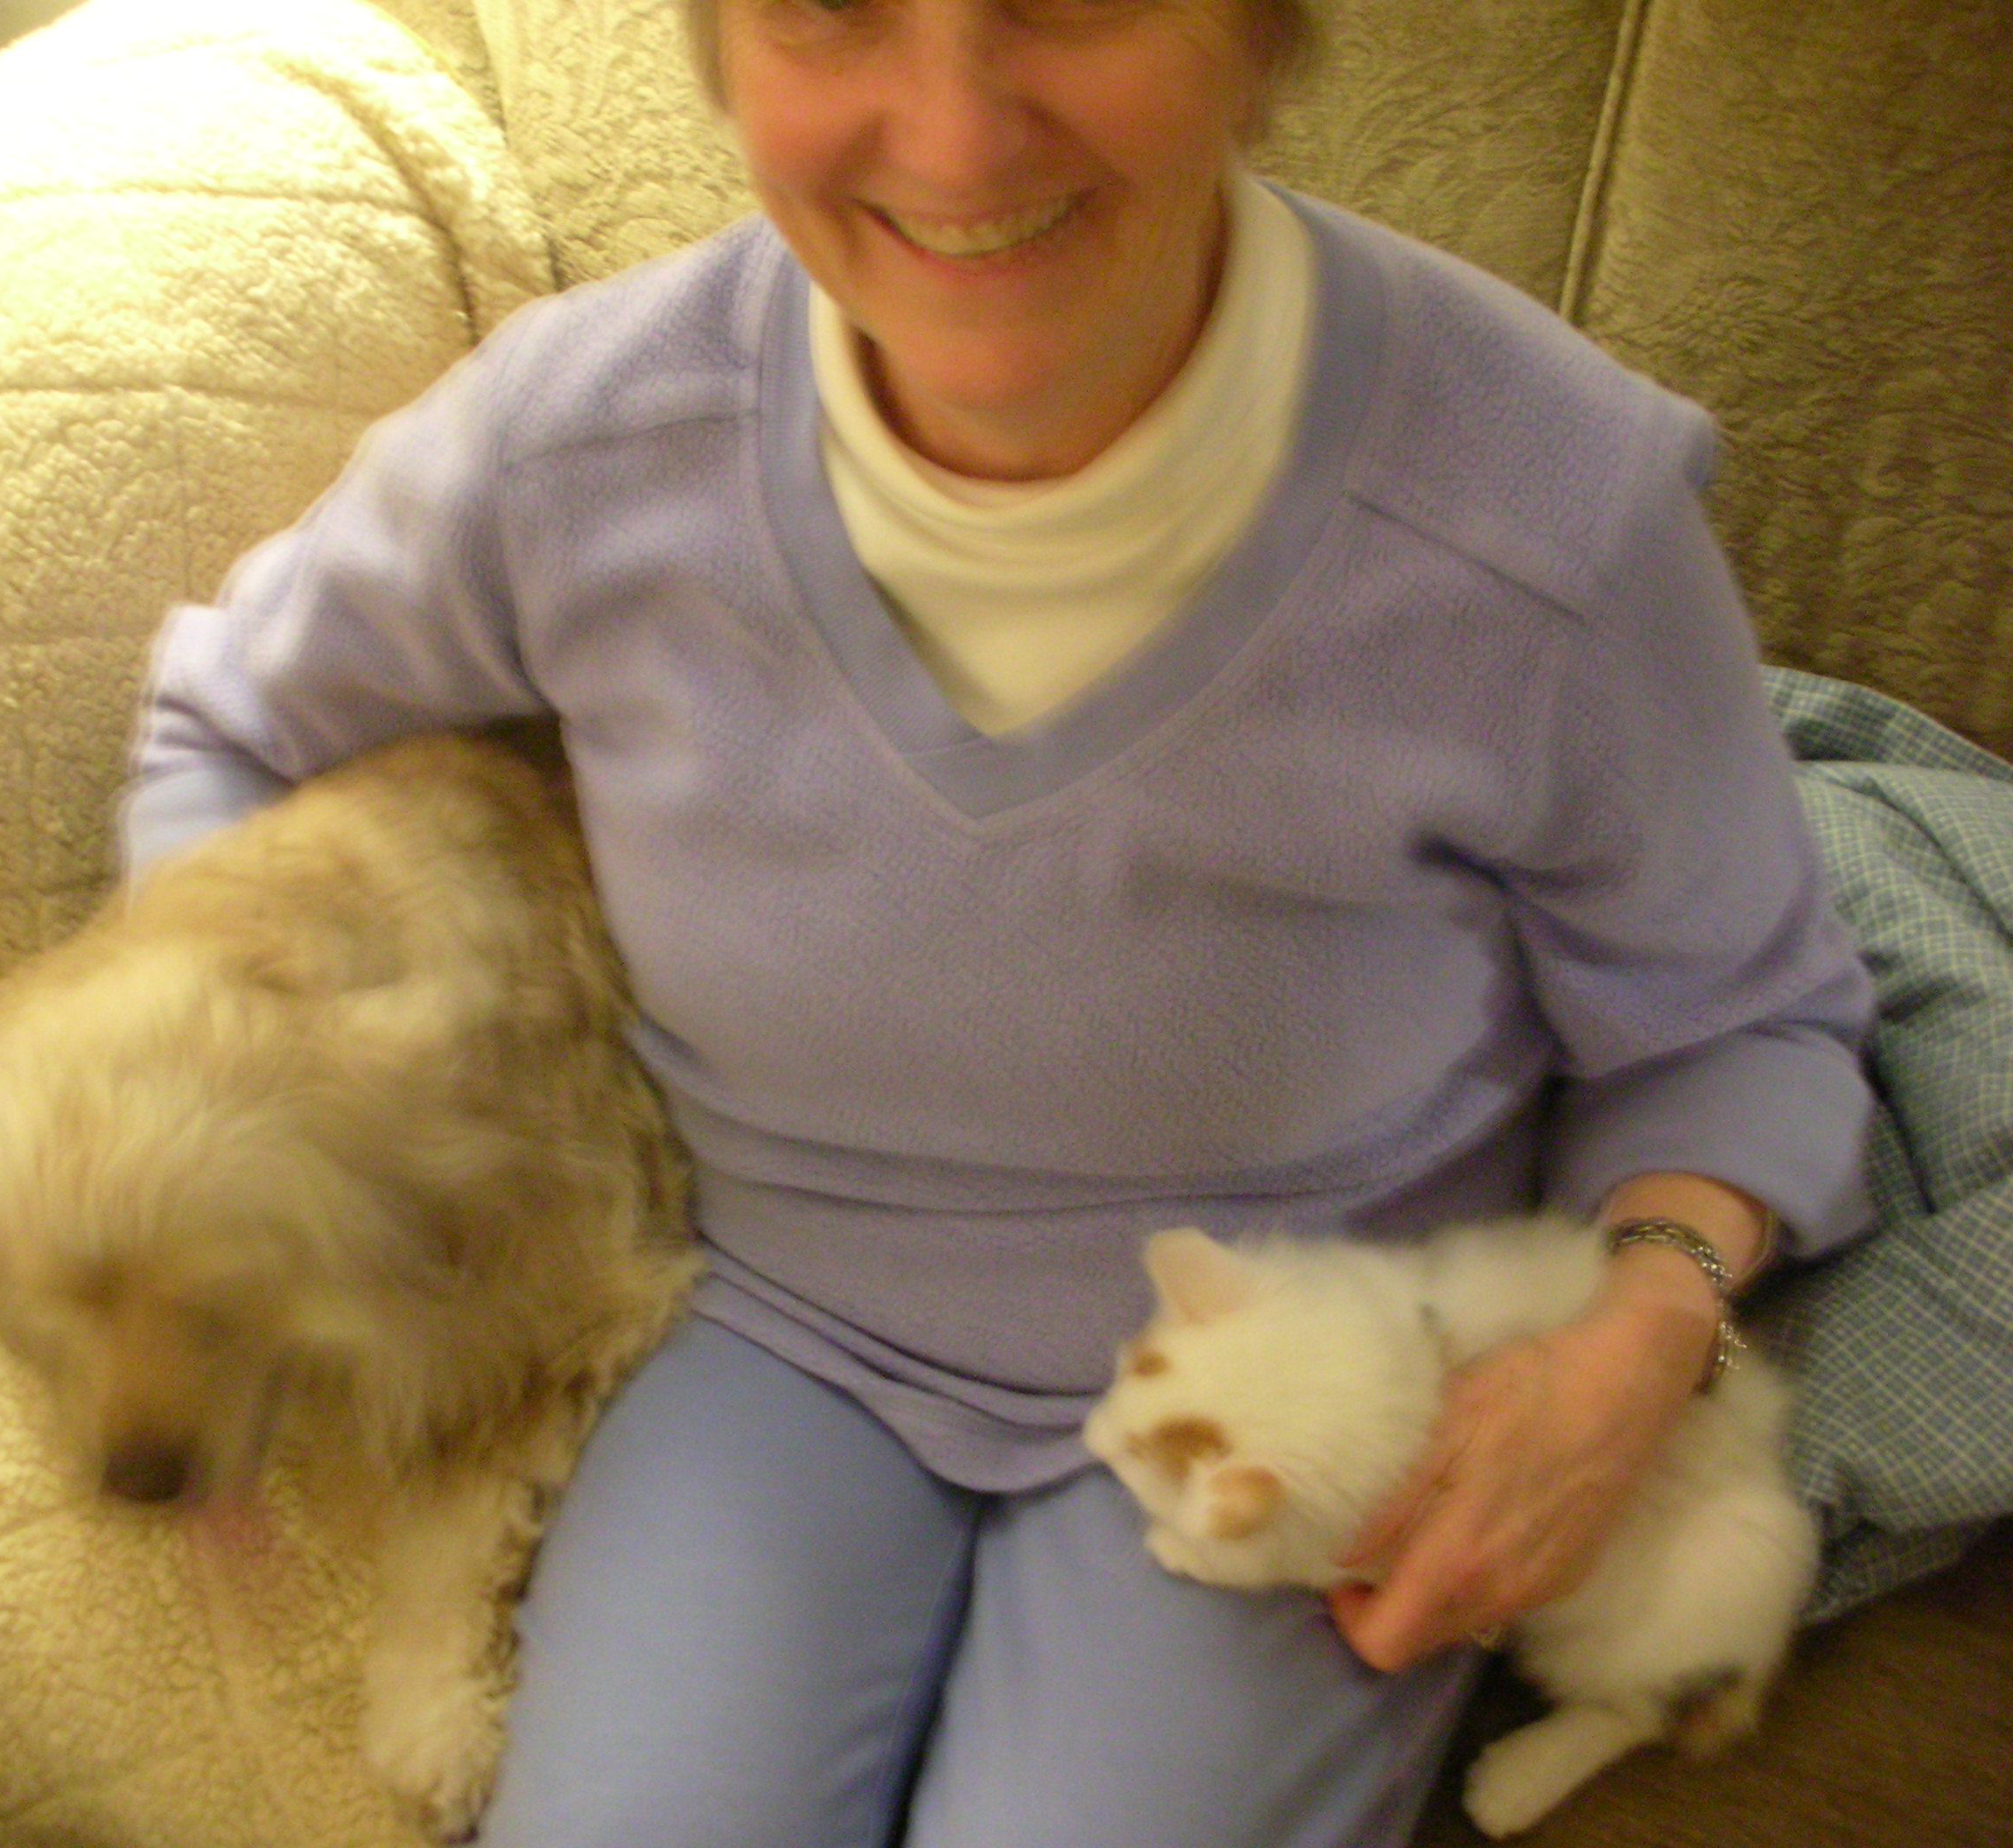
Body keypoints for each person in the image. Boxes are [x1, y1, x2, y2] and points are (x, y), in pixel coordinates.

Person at [124, 0, 1876, 1839]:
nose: (955, 139)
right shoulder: (576, 442)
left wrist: (1633, 1345)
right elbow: (227, 724)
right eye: (830, 8)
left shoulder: (1546, 510)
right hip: (760, 1327)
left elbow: (1741, 1015)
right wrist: (232, 1133)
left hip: (1302, 1354)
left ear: (1256, 36)